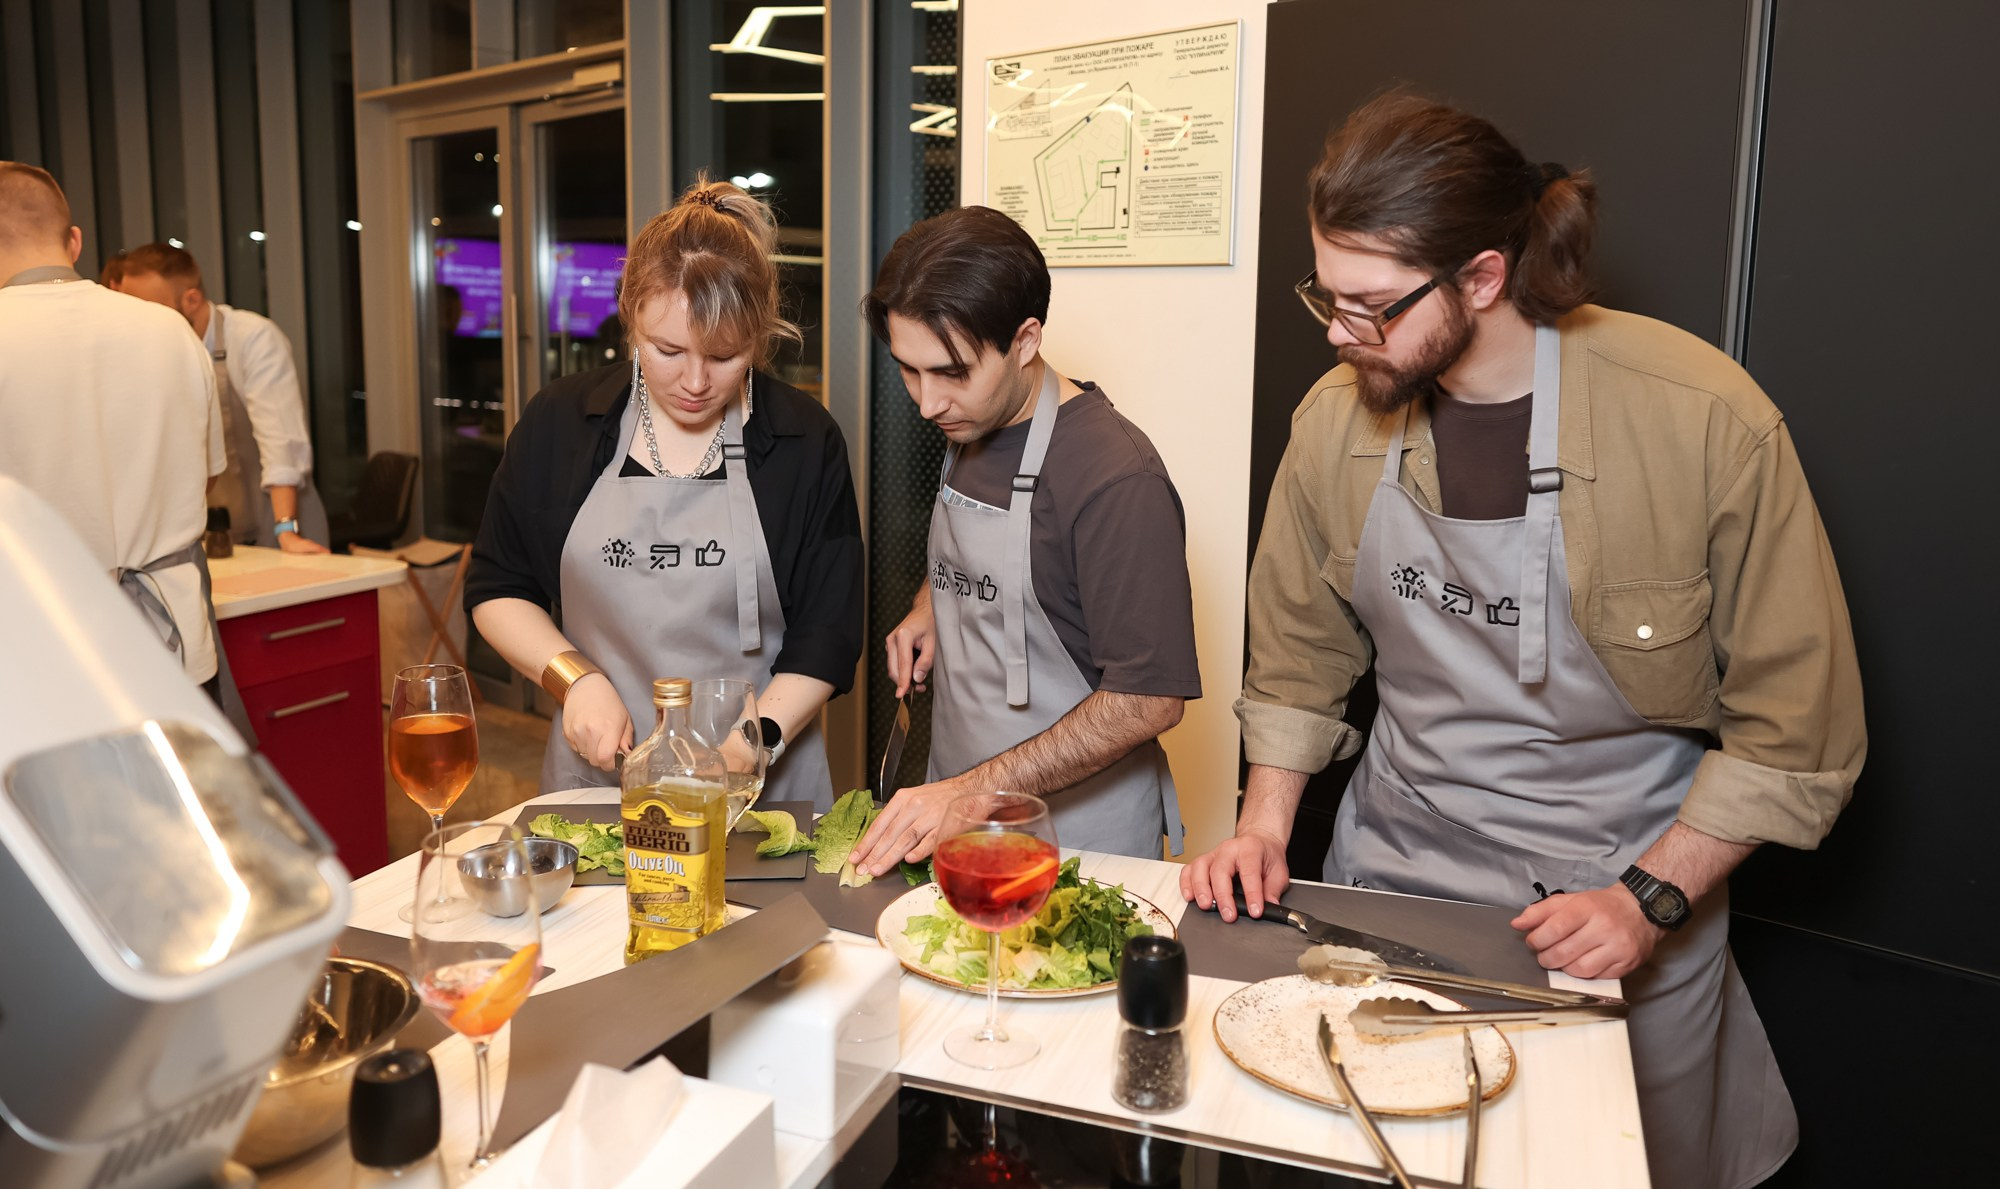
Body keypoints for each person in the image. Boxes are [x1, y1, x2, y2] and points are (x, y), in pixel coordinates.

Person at [1180, 93, 1865, 1189]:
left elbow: (1796, 737)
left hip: (1615, 904)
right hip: (1391, 884)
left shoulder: (1698, 418)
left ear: (1482, 278)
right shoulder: (1332, 422)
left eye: (1367, 304)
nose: (1334, 330)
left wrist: (1644, 901)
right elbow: (1297, 656)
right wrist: (1263, 824)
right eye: (1325, 293)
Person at [466, 180, 863, 809]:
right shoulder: (562, 423)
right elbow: (498, 587)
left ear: (759, 335)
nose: (697, 383)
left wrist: (746, 748)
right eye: (668, 351)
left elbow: (831, 631)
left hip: (761, 781)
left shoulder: (803, 441)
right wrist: (575, 680)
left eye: (727, 355)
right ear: (630, 316)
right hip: (600, 780)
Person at [849, 206, 1200, 875]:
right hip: (958, 819)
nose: (926, 403)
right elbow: (1008, 566)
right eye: (908, 370)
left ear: (1025, 339)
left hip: (1077, 848)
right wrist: (933, 603)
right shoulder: (969, 426)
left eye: (951, 372)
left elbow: (1150, 699)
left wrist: (964, 793)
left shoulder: (1114, 476)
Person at [0, 164, 231, 697]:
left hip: (42, 663)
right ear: (74, 241)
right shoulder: (171, 330)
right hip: (175, 654)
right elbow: (205, 480)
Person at [115, 242, 330, 552]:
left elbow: (281, 441)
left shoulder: (253, 338)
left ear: (191, 299)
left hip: (280, 520)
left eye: (150, 310)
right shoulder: (152, 353)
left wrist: (286, 529)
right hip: (215, 533)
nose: (139, 324)